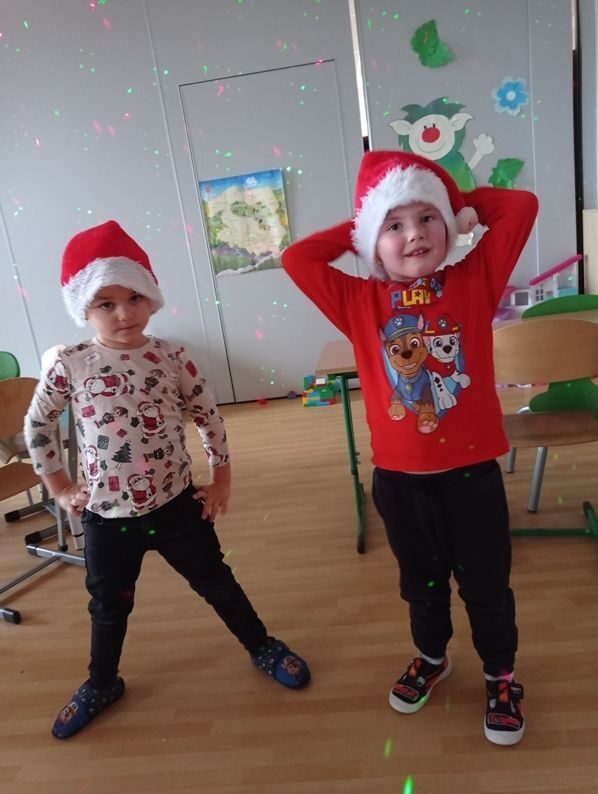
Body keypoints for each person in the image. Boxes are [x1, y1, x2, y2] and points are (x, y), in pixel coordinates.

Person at [282, 150, 538, 746]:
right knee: (420, 585)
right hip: (400, 482)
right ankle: (432, 657)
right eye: (393, 225)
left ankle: (501, 677)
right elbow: (298, 258)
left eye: (427, 218)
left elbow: (521, 206)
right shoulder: (358, 301)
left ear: (448, 226)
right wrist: (363, 224)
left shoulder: (474, 279)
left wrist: (461, 205)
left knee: (486, 586)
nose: (414, 234)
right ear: (372, 242)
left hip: (472, 478)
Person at [25, 220, 310, 740]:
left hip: (177, 506)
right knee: (108, 607)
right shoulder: (70, 363)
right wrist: (60, 487)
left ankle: (261, 645)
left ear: (151, 298)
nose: (124, 313)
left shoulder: (172, 357)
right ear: (84, 309)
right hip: (106, 518)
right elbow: (38, 423)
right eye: (106, 303)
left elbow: (208, 417)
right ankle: (102, 681)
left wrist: (221, 482)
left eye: (134, 297)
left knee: (217, 583)